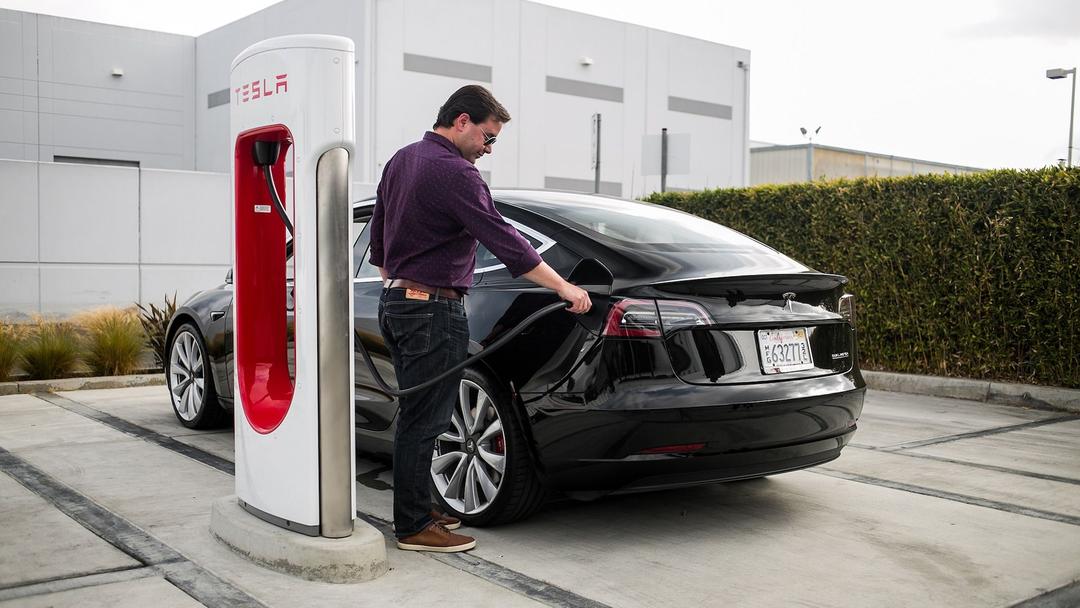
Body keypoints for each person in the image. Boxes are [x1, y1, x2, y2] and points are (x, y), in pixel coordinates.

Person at [369, 85, 591, 553]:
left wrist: (401, 286)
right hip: (433, 308)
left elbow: (381, 247)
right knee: (426, 421)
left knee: (417, 415)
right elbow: (507, 242)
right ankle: (411, 527)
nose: (488, 150)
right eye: (488, 138)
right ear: (463, 121)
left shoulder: (401, 160)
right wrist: (565, 287)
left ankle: (416, 506)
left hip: (397, 302)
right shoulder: (457, 173)